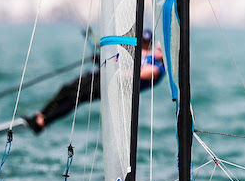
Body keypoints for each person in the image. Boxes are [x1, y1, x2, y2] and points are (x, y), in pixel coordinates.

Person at [26, 30, 166, 134]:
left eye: (160, 50)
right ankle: (41, 115)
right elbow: (129, 55)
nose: (157, 50)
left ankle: (43, 122)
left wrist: (108, 65)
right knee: (66, 89)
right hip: (101, 77)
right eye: (158, 48)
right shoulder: (147, 55)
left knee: (76, 98)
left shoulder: (156, 69)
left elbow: (131, 74)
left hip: (111, 86)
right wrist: (102, 58)